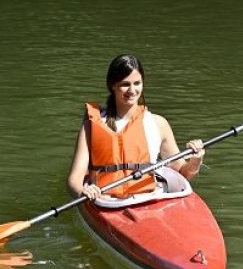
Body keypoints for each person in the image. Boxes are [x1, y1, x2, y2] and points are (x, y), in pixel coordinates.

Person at [67, 54, 205, 201]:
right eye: (125, 84)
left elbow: (183, 174)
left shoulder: (158, 124)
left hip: (149, 198)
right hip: (106, 201)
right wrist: (83, 192)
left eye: (137, 83)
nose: (132, 90)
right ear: (112, 85)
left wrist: (195, 161)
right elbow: (74, 180)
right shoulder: (92, 125)